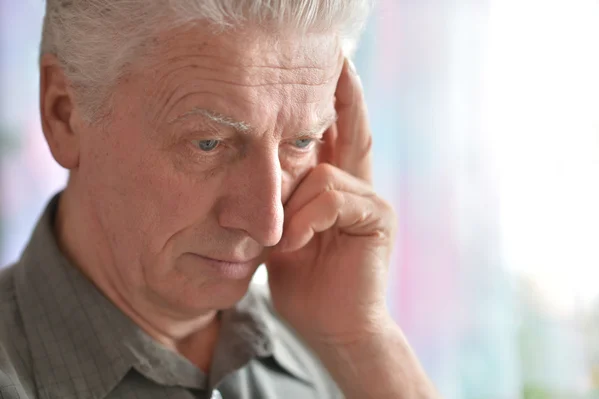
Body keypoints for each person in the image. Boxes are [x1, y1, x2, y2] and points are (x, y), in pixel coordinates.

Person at [0, 1, 439, 398]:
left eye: (300, 142)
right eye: (208, 143)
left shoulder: (335, 353)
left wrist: (361, 342)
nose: (269, 224)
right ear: (63, 112)